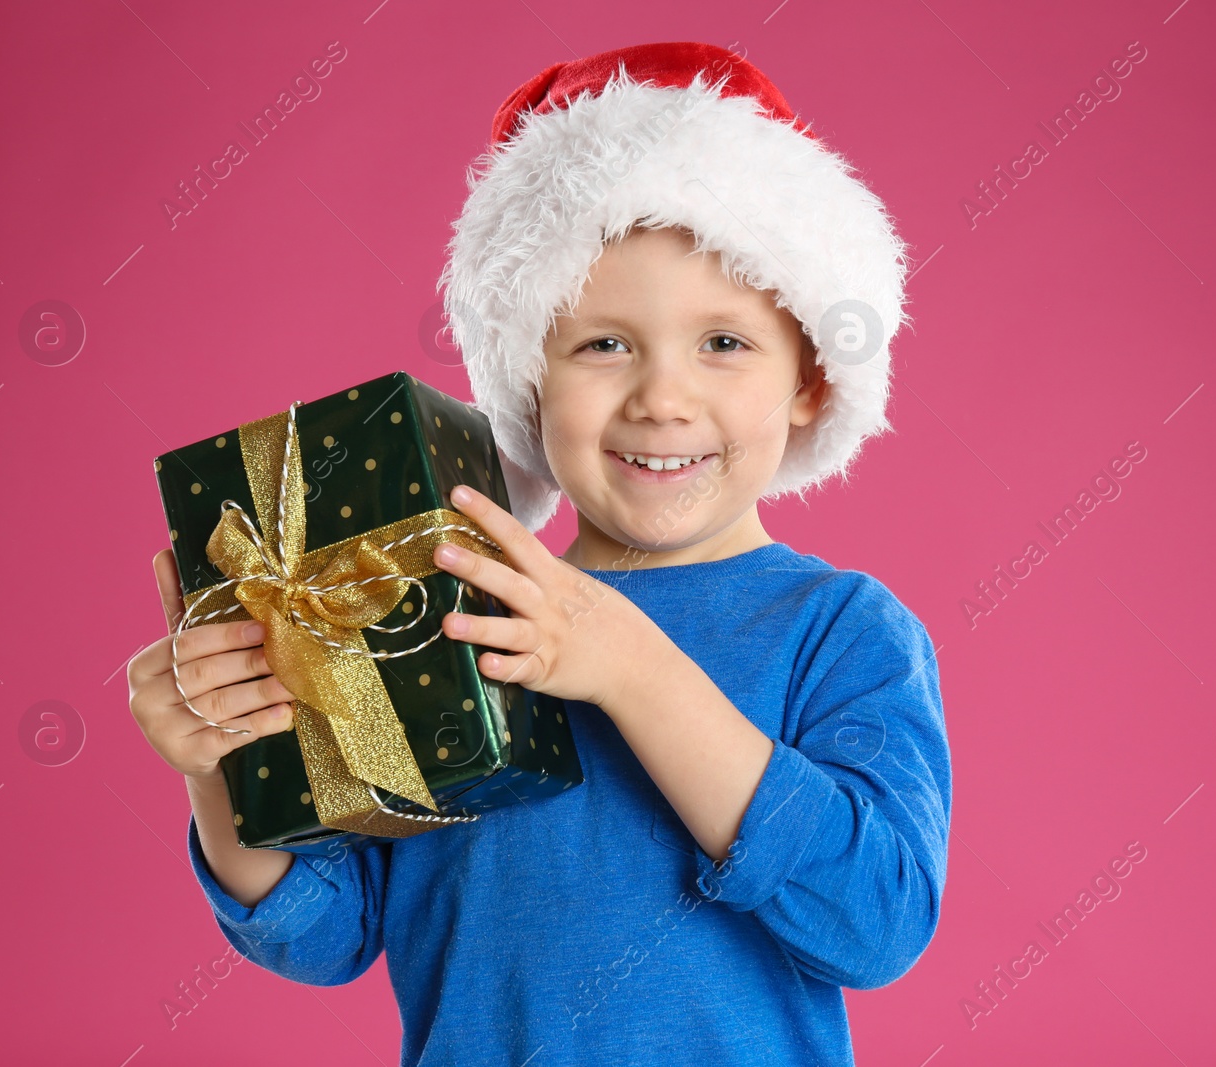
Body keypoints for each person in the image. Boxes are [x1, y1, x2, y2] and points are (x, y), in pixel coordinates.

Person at [127, 40, 951, 1067]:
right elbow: (324, 932)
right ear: (526, 382)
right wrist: (222, 767)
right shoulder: (437, 606)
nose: (660, 396)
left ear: (809, 383)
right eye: (602, 343)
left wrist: (633, 666)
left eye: (725, 342)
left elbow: (875, 921)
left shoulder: (839, 628)